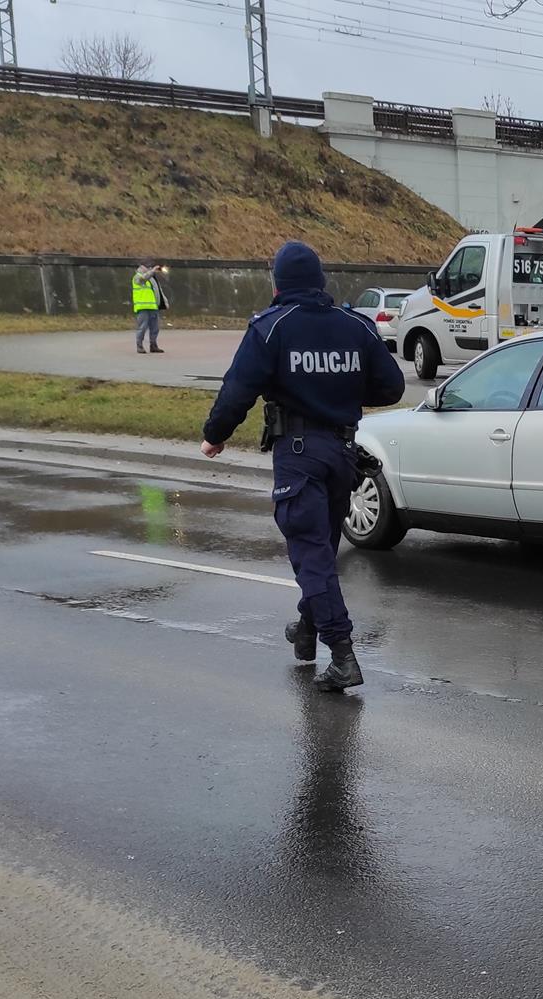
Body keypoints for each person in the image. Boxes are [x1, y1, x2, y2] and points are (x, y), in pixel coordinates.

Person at [199, 241, 404, 691]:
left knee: (311, 555)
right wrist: (342, 392)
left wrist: (215, 435)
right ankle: (307, 630)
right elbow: (391, 387)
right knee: (321, 551)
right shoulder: (355, 325)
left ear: (278, 283)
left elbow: (237, 390)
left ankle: (342, 654)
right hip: (343, 452)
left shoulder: (271, 327)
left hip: (298, 455)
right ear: (320, 280)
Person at [132, 262, 168, 354]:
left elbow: (158, 291)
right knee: (142, 328)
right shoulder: (137, 277)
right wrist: (152, 271)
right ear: (142, 267)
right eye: (148, 267)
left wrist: (164, 302)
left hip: (153, 306)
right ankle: (139, 346)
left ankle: (153, 345)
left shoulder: (152, 279)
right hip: (142, 307)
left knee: (155, 328)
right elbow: (143, 278)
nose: (150, 268)